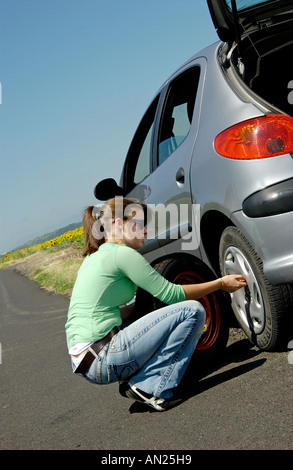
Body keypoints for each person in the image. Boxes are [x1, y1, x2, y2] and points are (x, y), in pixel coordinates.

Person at [65, 197, 246, 411]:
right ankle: (150, 386)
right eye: (139, 225)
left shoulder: (94, 258)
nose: (145, 232)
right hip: (104, 355)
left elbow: (113, 312)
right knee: (193, 311)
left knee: (146, 314)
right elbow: (173, 295)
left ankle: (139, 377)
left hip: (88, 361)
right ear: (118, 224)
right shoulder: (121, 254)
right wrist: (220, 284)